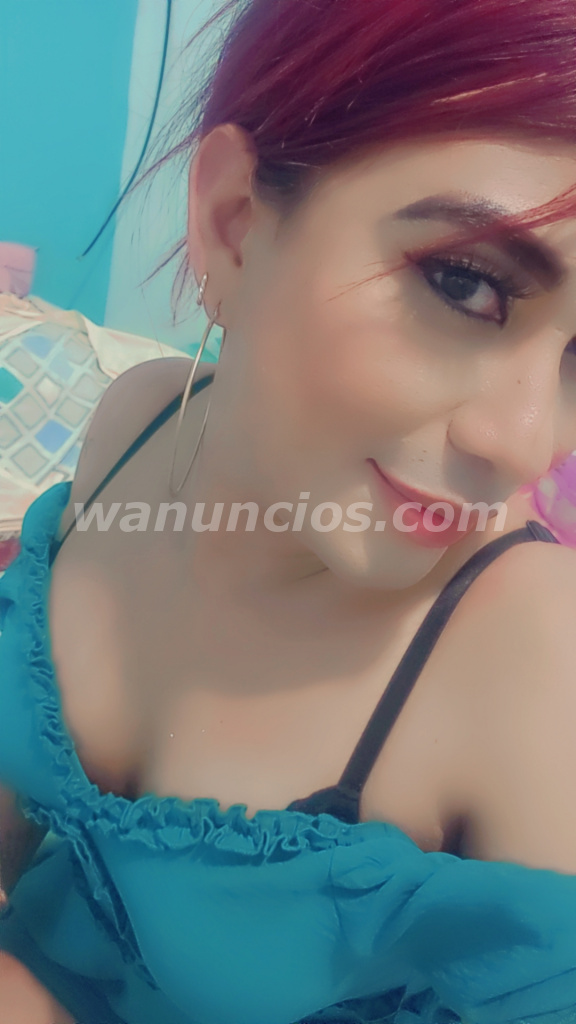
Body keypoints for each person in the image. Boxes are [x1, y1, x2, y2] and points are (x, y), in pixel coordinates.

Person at [2, 0, 576, 1021]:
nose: (525, 445)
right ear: (233, 220)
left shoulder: (535, 654)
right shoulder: (142, 424)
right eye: (467, 285)